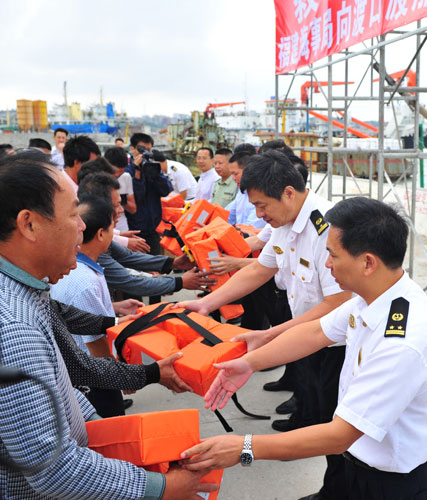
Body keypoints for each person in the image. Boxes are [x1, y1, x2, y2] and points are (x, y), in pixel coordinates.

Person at [0, 151, 217, 499]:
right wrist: (163, 488)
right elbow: (54, 469)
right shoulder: (14, 327)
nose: (82, 226)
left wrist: (111, 436)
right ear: (29, 224)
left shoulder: (27, 291)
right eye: (73, 214)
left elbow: (62, 385)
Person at [181, 196, 427, 500]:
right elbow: (314, 332)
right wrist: (251, 362)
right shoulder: (372, 296)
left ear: (367, 263)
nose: (326, 264)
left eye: (333, 255)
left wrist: (245, 447)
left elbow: (339, 434)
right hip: (353, 464)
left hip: (389, 483)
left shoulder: (401, 342)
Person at [177, 150, 351, 500]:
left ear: (289, 192)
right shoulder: (283, 225)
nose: (259, 216)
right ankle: (334, 487)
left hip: (338, 347)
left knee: (339, 430)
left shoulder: (328, 227)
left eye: (262, 206)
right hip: (305, 337)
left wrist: (272, 336)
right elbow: (259, 269)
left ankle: (339, 489)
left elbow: (338, 303)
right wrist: (206, 303)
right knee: (318, 416)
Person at [51, 194, 143, 416]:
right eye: (112, 227)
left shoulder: (79, 269)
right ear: (101, 234)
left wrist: (115, 307)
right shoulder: (85, 282)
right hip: (94, 381)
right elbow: (96, 345)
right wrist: (121, 376)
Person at [78, 172, 216, 299]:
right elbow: (129, 281)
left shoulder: (98, 238)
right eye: (117, 205)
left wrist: (172, 263)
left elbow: (128, 257)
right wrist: (180, 282)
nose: (121, 210)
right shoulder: (92, 245)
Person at [126, 133, 173, 256]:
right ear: (132, 149)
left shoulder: (153, 167)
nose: (145, 153)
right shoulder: (127, 171)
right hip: (133, 230)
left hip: (153, 228)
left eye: (148, 150)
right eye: (142, 149)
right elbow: (136, 197)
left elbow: (166, 190)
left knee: (156, 266)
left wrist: (156, 174)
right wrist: (137, 172)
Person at [225, 150, 265, 228]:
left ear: (248, 170)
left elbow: (250, 227)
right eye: (232, 174)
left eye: (235, 174)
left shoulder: (262, 193)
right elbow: (227, 214)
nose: (233, 178)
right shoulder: (241, 192)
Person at [104, 146, 137, 231]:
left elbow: (133, 209)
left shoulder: (126, 177)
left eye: (121, 171)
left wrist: (121, 200)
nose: (117, 174)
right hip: (103, 224)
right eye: (114, 171)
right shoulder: (96, 178)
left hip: (121, 224)